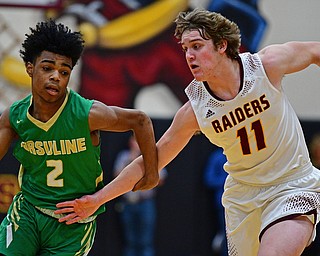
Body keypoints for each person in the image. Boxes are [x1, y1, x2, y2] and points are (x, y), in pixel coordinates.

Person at [54, 8, 320, 256]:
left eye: (197, 46)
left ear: (221, 45)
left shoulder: (267, 65)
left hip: (291, 183)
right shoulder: (194, 110)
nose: (189, 56)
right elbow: (151, 161)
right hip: (244, 198)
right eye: (185, 49)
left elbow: (314, 51)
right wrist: (98, 199)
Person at [0, 19, 158, 255]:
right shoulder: (15, 117)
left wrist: (152, 172)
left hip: (73, 221)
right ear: (30, 68)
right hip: (28, 212)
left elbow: (141, 120)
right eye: (47, 68)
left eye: (64, 72)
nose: (56, 76)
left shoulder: (88, 114)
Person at [113, 135, 167, 256]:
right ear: (130, 142)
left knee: (145, 241)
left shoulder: (151, 157)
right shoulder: (124, 156)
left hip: (145, 203)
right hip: (127, 204)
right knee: (130, 241)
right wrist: (132, 158)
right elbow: (116, 176)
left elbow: (162, 178)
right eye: (134, 141)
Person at [203, 147, 228, 256]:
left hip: (246, 202)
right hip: (223, 203)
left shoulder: (243, 155)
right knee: (226, 235)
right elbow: (209, 179)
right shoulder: (217, 156)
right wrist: (228, 182)